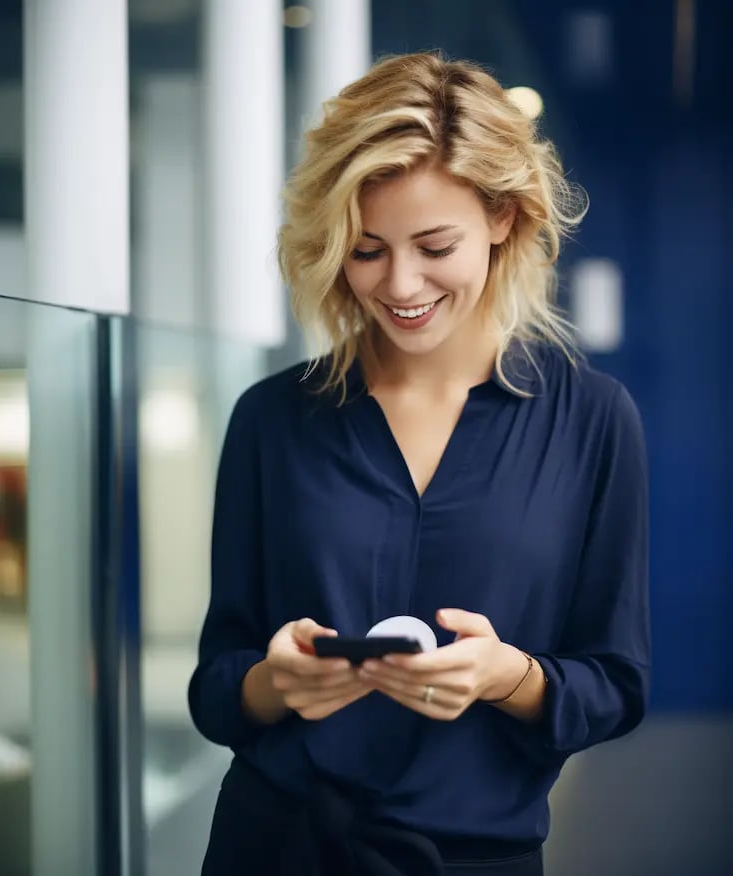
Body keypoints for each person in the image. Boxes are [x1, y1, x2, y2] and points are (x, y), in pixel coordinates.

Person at [188, 51, 650, 876]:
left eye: (435, 245)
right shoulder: (272, 419)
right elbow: (217, 687)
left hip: (476, 858)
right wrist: (278, 683)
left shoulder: (592, 420)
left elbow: (615, 686)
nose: (400, 284)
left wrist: (509, 677)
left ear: (504, 218)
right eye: (366, 251)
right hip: (273, 848)